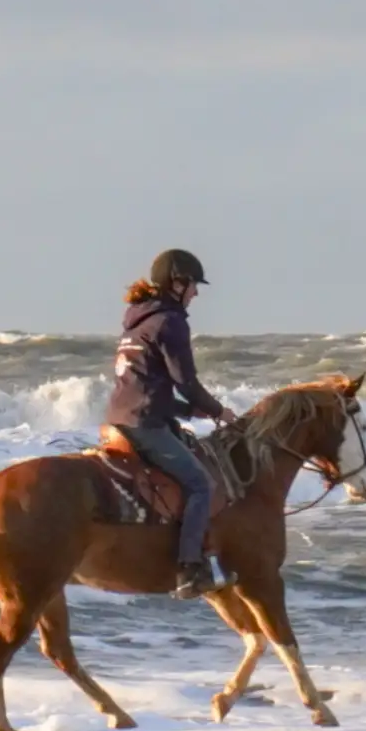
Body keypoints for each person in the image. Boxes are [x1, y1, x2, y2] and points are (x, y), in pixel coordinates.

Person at [104, 248, 239, 597]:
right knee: (200, 485)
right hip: (144, 424)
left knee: (192, 451)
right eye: (193, 285)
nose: (196, 293)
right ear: (176, 283)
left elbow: (144, 384)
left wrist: (185, 411)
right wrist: (218, 410)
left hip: (121, 418)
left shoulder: (137, 320)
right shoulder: (170, 322)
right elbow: (186, 382)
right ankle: (190, 569)